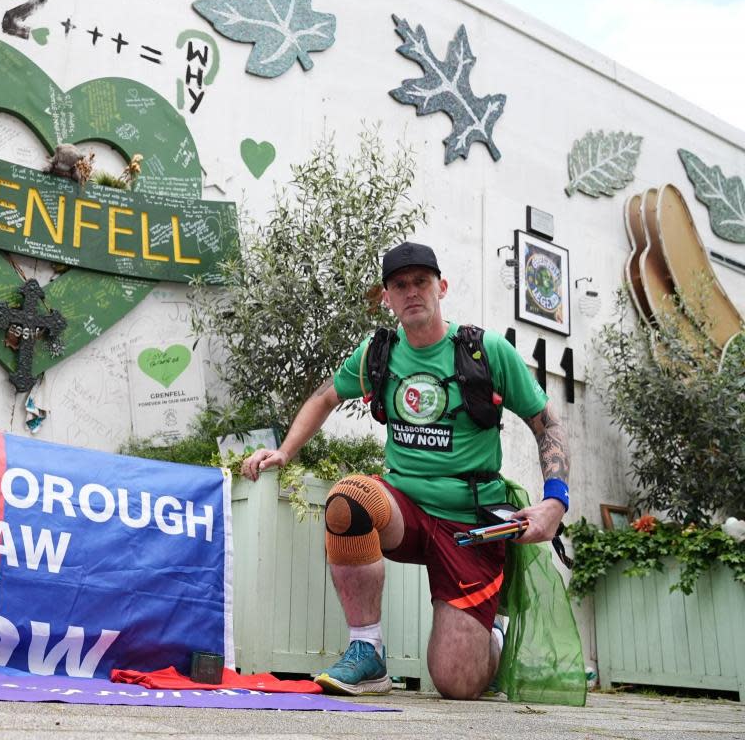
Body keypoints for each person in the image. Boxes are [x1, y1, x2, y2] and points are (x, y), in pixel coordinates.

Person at [241, 241, 570, 700]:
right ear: (387, 298)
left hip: (470, 521)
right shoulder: (379, 353)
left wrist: (555, 501)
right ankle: (367, 651)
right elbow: (323, 397)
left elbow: (546, 423)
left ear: (442, 287)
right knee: (348, 499)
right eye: (400, 285)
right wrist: (285, 453)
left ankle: (490, 635)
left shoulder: (486, 351)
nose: (412, 291)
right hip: (406, 508)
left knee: (457, 682)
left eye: (422, 281)